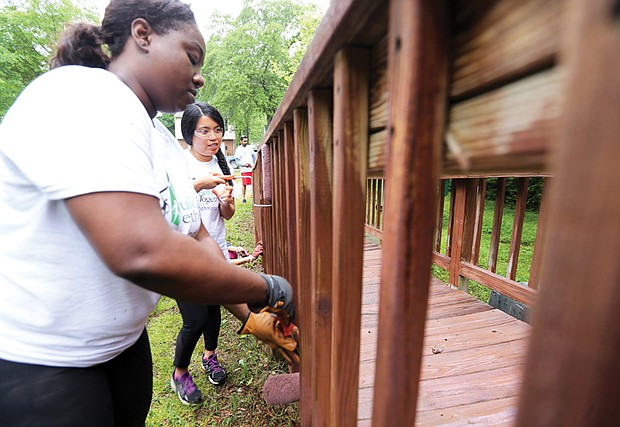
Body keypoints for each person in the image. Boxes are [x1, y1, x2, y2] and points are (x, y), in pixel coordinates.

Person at [0, 2, 294, 426]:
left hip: (121, 349)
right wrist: (266, 287)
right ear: (143, 35)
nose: (199, 75)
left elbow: (196, 238)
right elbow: (140, 251)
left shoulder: (155, 136)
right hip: (41, 364)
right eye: (192, 56)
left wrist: (251, 317)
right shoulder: (81, 94)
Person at [170, 102, 236, 404]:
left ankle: (210, 356)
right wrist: (199, 185)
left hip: (216, 251)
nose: (213, 137)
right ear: (189, 134)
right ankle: (180, 373)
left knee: (212, 311)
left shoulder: (222, 164)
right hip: (184, 255)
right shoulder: (178, 164)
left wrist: (225, 203)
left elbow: (228, 215)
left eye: (217, 130)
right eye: (205, 131)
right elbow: (170, 206)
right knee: (194, 318)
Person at [234, 134, 255, 203]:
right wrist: (243, 164)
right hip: (244, 169)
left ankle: (253, 197)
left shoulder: (250, 148)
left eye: (246, 141)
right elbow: (237, 161)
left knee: (253, 183)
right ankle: (243, 198)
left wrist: (254, 163)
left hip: (251, 168)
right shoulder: (238, 149)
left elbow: (253, 156)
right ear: (241, 141)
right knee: (244, 183)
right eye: (244, 141)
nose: (246, 142)